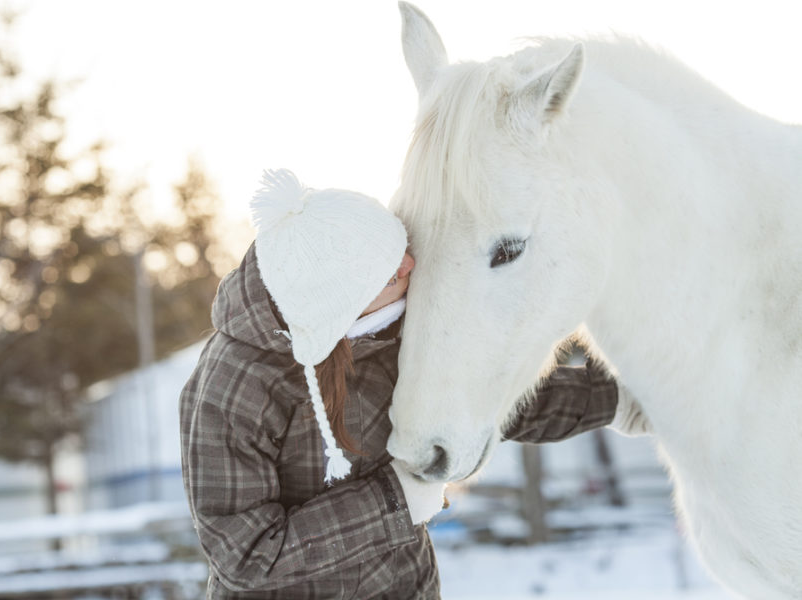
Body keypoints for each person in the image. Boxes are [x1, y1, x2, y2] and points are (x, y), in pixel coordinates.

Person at [179, 169, 648, 599]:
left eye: (399, 246)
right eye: (388, 271)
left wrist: (620, 399)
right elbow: (247, 555)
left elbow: (488, 397)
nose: (408, 265)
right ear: (343, 301)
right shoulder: (232, 390)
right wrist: (395, 500)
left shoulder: (394, 325)